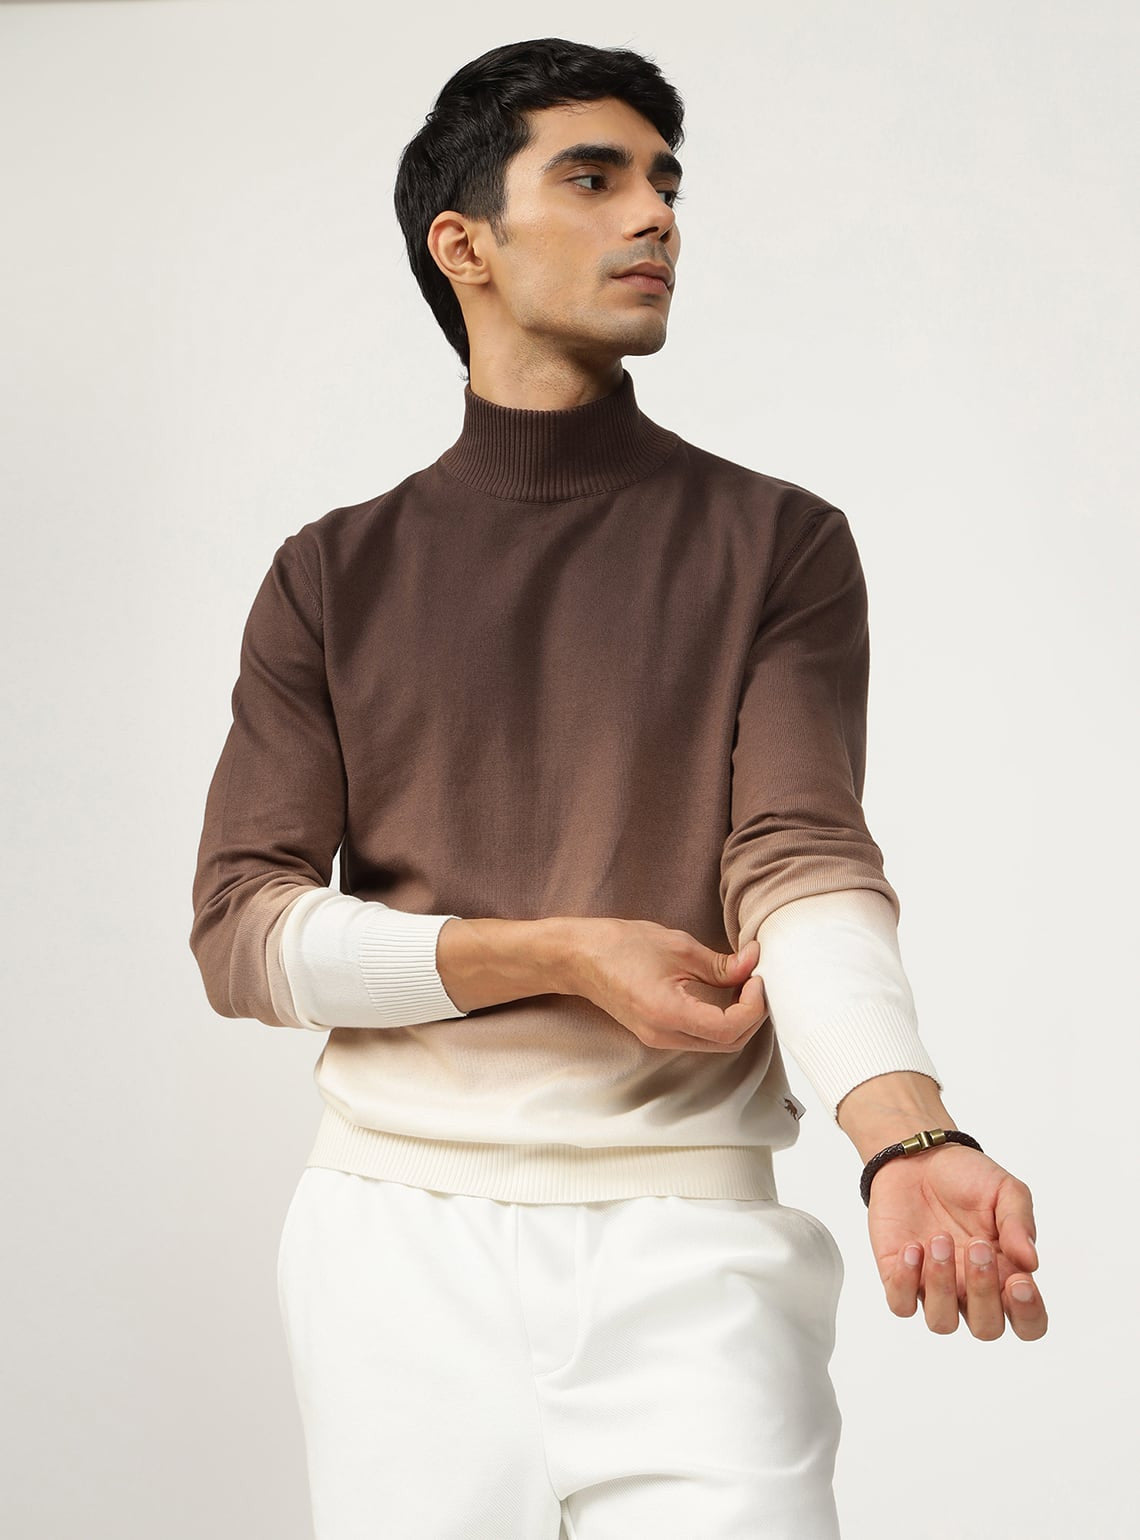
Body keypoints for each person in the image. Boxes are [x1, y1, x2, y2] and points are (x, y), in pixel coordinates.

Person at [189, 36, 1048, 1540]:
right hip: (396, 1253)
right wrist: (557, 954)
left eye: (664, 182)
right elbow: (243, 938)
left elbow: (803, 862)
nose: (655, 215)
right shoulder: (329, 575)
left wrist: (907, 1135)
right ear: (463, 244)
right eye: (592, 179)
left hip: (692, 1246)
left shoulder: (778, 543)